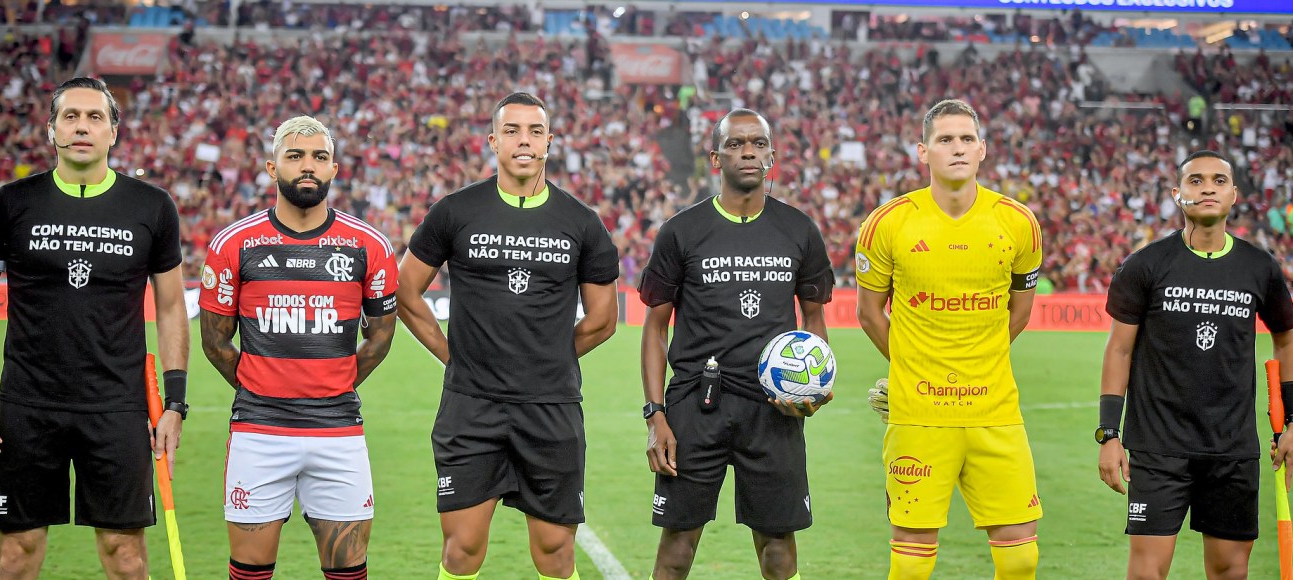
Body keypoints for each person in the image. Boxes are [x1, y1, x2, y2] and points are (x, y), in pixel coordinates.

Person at [0, 76, 190, 580]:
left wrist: (175, 404)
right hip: (28, 405)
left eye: (95, 117)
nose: (82, 126)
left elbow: (171, 308)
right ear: (52, 130)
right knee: (17, 556)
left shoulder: (152, 206)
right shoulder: (12, 202)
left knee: (126, 557)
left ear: (113, 132)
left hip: (118, 407)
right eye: (71, 116)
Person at [395, 91, 619, 580]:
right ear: (493, 141)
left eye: (535, 132)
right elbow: (405, 291)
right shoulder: (455, 211)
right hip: (471, 406)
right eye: (512, 131)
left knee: (556, 552)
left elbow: (604, 319)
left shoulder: (581, 222)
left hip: (551, 407)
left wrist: (547, 358)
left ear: (549, 142)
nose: (524, 141)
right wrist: (453, 357)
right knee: (462, 549)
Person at [199, 115, 399, 580]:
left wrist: (333, 383)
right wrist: (262, 385)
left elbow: (380, 337)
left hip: (338, 432)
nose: (308, 165)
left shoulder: (367, 244)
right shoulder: (235, 243)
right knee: (249, 573)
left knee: (348, 572)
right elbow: (214, 341)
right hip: (259, 431)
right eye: (295, 156)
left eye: (319, 156)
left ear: (333, 169)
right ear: (272, 167)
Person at [640, 108, 835, 580]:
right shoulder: (681, 231)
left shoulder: (799, 230)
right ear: (715, 158)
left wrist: (816, 385)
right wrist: (656, 415)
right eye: (735, 143)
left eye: (757, 143)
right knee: (677, 548)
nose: (748, 151)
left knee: (778, 551)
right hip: (695, 405)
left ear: (772, 156)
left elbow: (813, 318)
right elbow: (655, 327)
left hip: (773, 410)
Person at [855, 99, 1044, 579]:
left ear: (982, 149)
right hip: (919, 414)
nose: (957, 148)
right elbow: (869, 313)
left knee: (1021, 558)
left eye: (966, 139)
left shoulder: (1018, 222)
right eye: (944, 139)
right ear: (923, 152)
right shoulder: (888, 223)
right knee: (911, 563)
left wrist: (975, 361)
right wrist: (910, 367)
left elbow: (1020, 312)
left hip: (995, 411)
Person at [1097, 150, 1293, 580]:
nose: (1207, 188)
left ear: (1234, 194)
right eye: (1195, 180)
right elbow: (1118, 350)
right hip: (1157, 446)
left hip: (1232, 447)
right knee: (1145, 574)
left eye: (1218, 180)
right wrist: (1109, 434)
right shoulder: (1145, 264)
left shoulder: (1259, 267)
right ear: (1177, 194)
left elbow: (1285, 342)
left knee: (1231, 571)